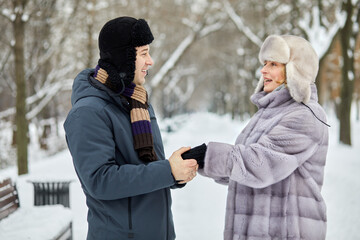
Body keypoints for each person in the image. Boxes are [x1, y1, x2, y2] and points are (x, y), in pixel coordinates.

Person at [63, 16, 198, 240]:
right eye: (143, 53)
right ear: (123, 58)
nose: (150, 61)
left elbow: (144, 167)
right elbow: (100, 180)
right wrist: (167, 171)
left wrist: (175, 174)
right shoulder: (88, 112)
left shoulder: (136, 102)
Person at [189, 35, 330, 239]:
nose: (263, 70)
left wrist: (207, 155)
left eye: (273, 64)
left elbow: (260, 164)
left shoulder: (306, 114)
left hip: (286, 229)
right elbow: (244, 169)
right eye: (264, 63)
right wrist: (202, 163)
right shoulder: (267, 113)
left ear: (296, 70)